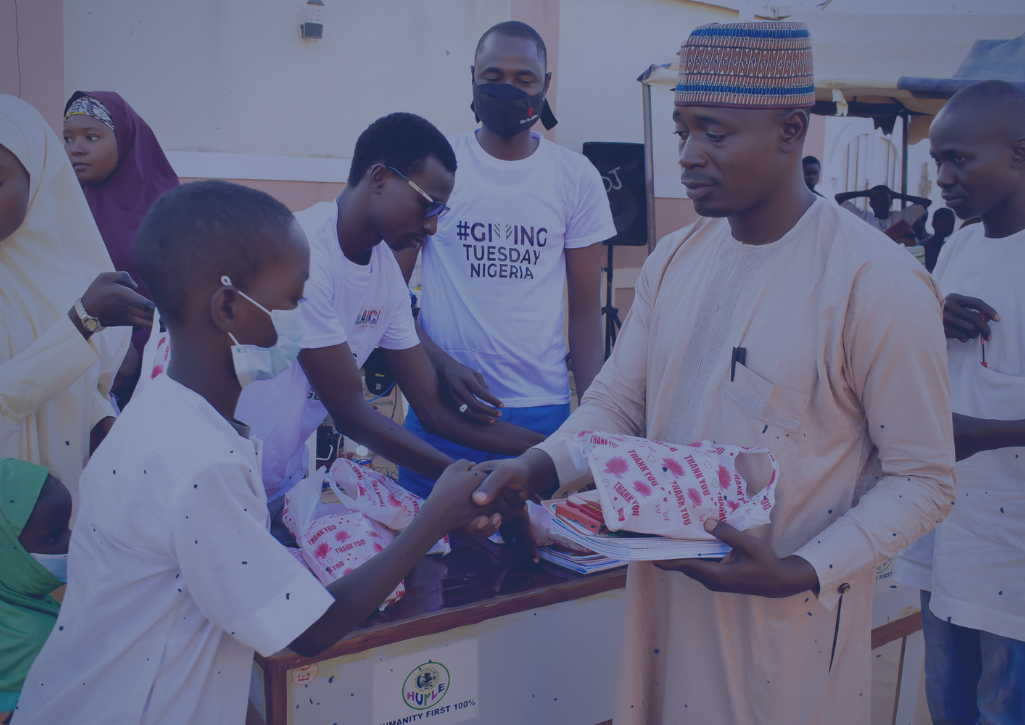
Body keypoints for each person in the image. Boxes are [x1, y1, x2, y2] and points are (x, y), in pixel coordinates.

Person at [471, 22, 956, 724]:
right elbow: (617, 402)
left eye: (714, 133)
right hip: (663, 605)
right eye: (681, 132)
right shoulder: (675, 257)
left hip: (785, 626)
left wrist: (801, 567)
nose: (689, 157)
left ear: (791, 131)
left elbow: (924, 479)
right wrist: (539, 466)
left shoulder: (873, 281)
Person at [13, 180, 496, 725]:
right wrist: (432, 519)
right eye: (294, 298)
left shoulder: (159, 415)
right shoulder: (201, 462)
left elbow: (197, 613)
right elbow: (309, 631)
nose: (302, 316)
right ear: (227, 308)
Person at [394, 21, 616, 498]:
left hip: (541, 411)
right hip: (438, 407)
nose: (508, 89)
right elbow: (388, 299)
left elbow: (583, 312)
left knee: (533, 566)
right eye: (493, 76)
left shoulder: (575, 178)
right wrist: (439, 364)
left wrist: (595, 425)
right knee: (426, 562)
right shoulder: (437, 165)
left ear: (546, 86)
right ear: (472, 77)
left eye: (524, 79)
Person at [895, 79, 1025, 725]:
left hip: (1013, 546)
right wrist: (931, 314)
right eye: (937, 160)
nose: (942, 176)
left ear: (1019, 153)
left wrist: (982, 432)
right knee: (946, 702)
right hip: (947, 529)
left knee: (1003, 707)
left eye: (959, 160)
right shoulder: (964, 244)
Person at [0, 95, 150, 523]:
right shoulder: (75, 294)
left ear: (41, 179)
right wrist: (82, 322)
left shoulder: (58, 267)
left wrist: (99, 417)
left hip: (68, 506)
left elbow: (75, 377)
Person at [62, 92, 179, 406]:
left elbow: (184, 290)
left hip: (141, 369)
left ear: (126, 140)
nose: (76, 148)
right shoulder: (59, 205)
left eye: (91, 136)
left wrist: (138, 348)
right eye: (68, 138)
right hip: (69, 362)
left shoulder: (168, 209)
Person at [0, 459, 71, 723]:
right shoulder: (39, 640)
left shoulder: (18, 605)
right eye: (53, 538)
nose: (71, 540)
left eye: (67, 525)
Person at [835, 183, 932, 233]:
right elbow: (838, 198)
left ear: (891, 203)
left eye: (885, 200)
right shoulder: (862, 217)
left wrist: (897, 195)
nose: (880, 204)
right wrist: (866, 192)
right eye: (876, 200)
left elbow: (926, 203)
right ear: (870, 204)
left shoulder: (901, 217)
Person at [922, 207, 955, 273]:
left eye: (952, 223)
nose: (949, 226)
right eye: (945, 222)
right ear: (933, 223)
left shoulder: (949, 248)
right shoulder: (922, 247)